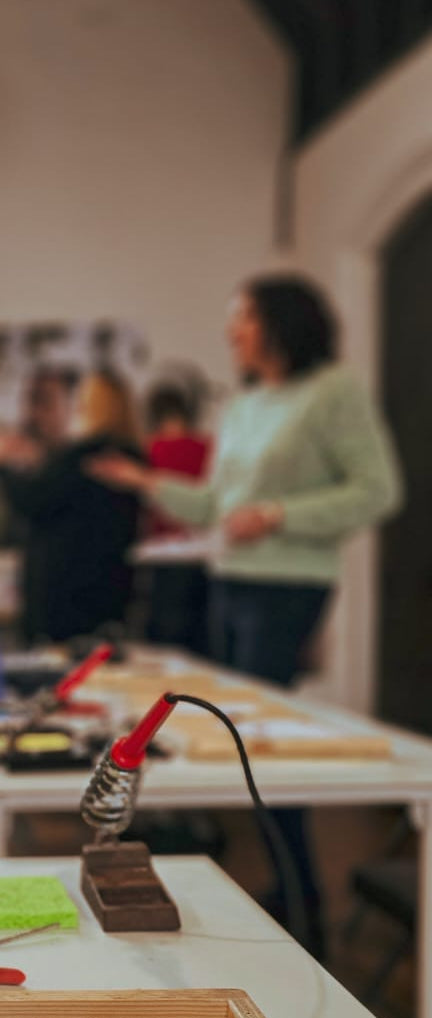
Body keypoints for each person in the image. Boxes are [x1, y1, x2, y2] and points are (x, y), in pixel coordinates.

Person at [89, 274, 404, 955]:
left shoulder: (333, 391)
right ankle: (290, 892)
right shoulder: (246, 404)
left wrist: (281, 514)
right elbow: (212, 506)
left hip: (289, 584)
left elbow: (378, 489)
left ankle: (304, 907)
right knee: (241, 745)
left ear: (281, 323)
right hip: (229, 581)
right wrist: (144, 480)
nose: (232, 331)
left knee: (261, 745)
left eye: (243, 318)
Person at [0, 368, 143, 643]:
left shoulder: (84, 457)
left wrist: (3, 467)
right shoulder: (133, 457)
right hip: (109, 591)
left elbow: (32, 500)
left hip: (65, 598)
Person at [141, 380, 211, 656]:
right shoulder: (210, 447)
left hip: (163, 561)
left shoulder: (149, 451)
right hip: (204, 559)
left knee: (166, 653)